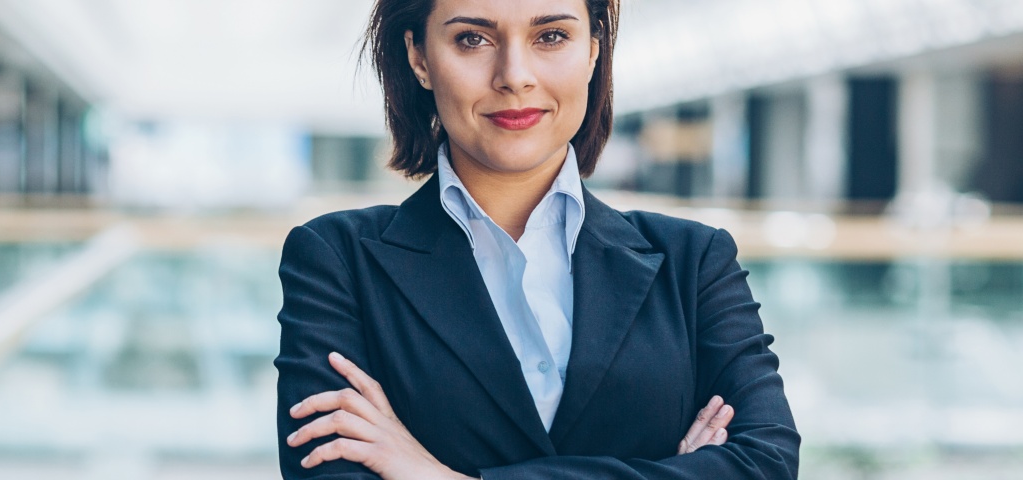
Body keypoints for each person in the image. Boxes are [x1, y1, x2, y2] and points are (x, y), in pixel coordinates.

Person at [273, 0, 801, 478]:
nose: (515, 76)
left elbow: (767, 463)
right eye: (472, 39)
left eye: (550, 36)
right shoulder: (336, 260)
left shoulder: (694, 261)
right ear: (418, 58)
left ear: (593, 50)